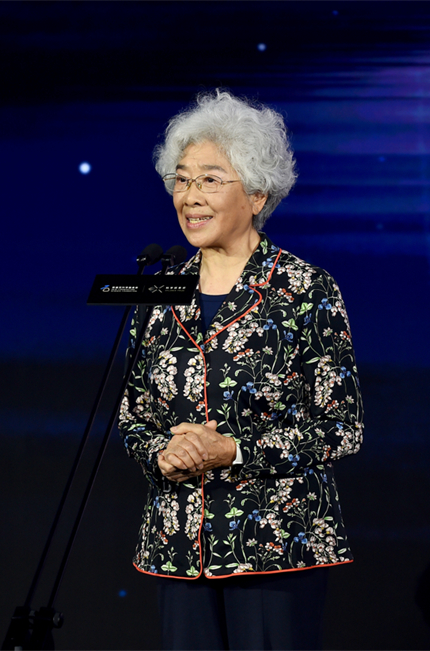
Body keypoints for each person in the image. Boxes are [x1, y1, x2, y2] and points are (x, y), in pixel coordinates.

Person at [118, 90, 364, 650]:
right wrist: (161, 453)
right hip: (179, 544)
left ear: (257, 194)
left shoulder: (305, 289)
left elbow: (340, 427)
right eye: (182, 180)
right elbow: (133, 414)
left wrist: (232, 450)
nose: (190, 197)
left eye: (209, 180)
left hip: (275, 544)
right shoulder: (158, 290)